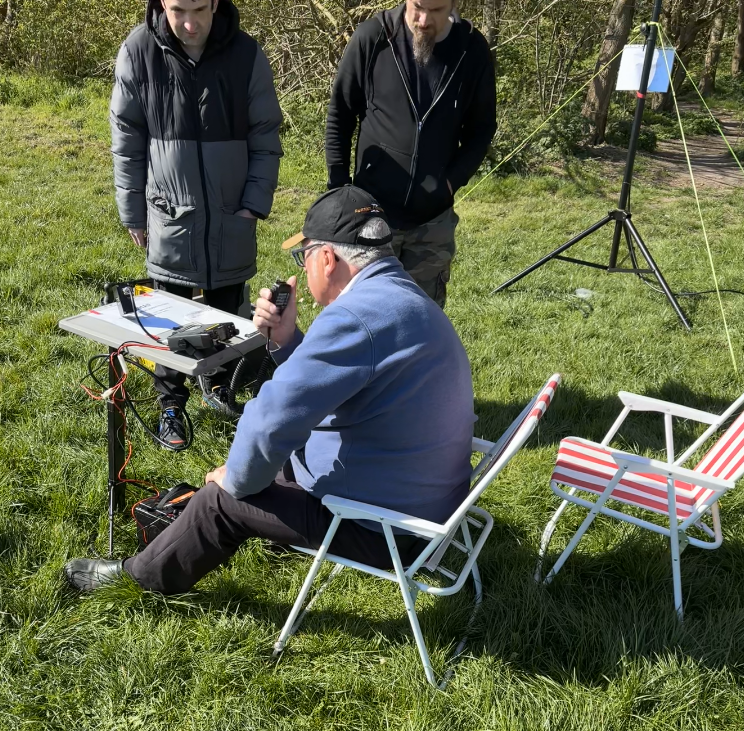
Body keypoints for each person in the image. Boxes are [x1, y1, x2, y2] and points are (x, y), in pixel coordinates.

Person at [64, 186, 476, 594]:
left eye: (305, 256)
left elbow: (269, 423)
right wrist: (286, 338)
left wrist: (231, 482)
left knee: (221, 501)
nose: (305, 267)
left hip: (389, 531)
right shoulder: (402, 298)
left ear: (328, 259)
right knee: (263, 466)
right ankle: (199, 527)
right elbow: (341, 385)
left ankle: (139, 576)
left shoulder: (356, 318)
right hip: (433, 503)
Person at [110, 0, 283, 448]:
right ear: (160, 5)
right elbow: (126, 140)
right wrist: (133, 211)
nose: (190, 23)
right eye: (178, 10)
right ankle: (171, 403)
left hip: (232, 215)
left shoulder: (247, 54)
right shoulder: (138, 51)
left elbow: (266, 135)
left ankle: (221, 383)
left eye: (200, 10)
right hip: (169, 215)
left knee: (228, 313)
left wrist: (253, 204)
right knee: (171, 316)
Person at [325, 0, 496, 309]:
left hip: (431, 225)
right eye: (417, 6)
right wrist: (339, 191)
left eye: (437, 10)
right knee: (362, 318)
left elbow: (482, 129)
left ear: (454, 5)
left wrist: (450, 182)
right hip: (370, 217)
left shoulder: (472, 49)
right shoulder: (373, 37)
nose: (423, 20)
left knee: (420, 324)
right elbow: (340, 114)